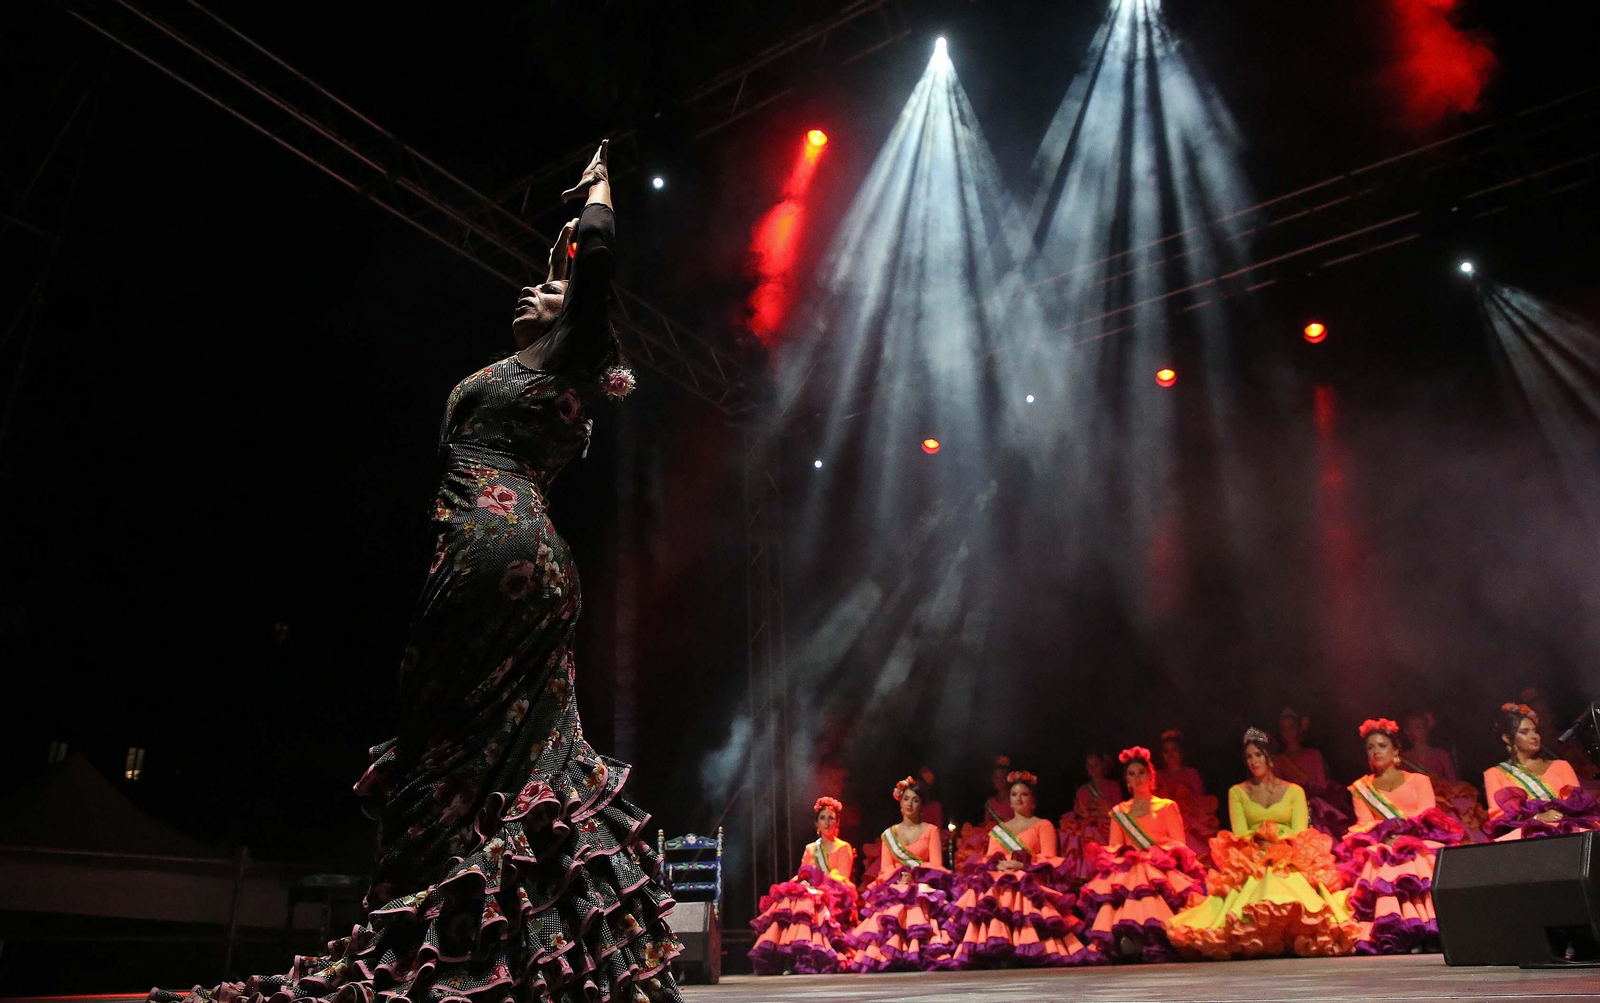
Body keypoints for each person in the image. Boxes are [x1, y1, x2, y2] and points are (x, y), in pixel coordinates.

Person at [148, 142, 681, 1003]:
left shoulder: (563, 362)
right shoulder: (538, 373)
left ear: (570, 322)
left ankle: (432, 931)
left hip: (499, 551)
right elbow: (571, 273)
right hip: (513, 556)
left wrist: (598, 190)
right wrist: (558, 257)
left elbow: (595, 267)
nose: (529, 292)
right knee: (494, 750)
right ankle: (489, 941)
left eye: (547, 291)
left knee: (448, 742)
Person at [1169, 729, 1358, 960]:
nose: (1253, 761)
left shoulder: (1293, 791)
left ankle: (1292, 932)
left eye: (1258, 755)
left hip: (1289, 854)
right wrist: (1263, 842)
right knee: (1252, 885)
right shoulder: (1237, 792)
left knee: (1291, 882)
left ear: (1269, 757)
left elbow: (1300, 832)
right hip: (1252, 855)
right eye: (1249, 757)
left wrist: (1275, 841)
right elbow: (1240, 833)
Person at [1335, 718, 1465, 955]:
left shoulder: (1419, 780)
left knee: (1418, 861)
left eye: (1382, 746)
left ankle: (1431, 930)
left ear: (1396, 750)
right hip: (1382, 845)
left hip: (1419, 839)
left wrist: (1404, 836)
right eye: (1371, 747)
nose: (1376, 751)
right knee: (1381, 863)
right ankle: (1400, 932)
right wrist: (1386, 839)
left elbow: (1429, 814)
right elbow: (1364, 825)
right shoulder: (1361, 788)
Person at [949, 771, 1090, 967]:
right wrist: (1000, 864)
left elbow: (1050, 859)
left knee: (1017, 887)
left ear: (1033, 800)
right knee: (994, 891)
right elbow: (990, 858)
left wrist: (1023, 865)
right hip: (1003, 878)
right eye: (1014, 795)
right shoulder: (999, 830)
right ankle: (998, 947)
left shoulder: (1043, 825)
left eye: (1024, 794)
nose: (1019, 798)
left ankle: (1025, 946)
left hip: (1032, 881)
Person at [1081, 748, 1206, 962]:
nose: (1137, 778)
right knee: (1132, 877)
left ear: (1151, 776)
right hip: (1131, 869)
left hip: (1162, 870)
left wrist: (1153, 857)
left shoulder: (1167, 806)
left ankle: (1157, 937)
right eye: (1132, 774)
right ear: (1126, 780)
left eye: (1141, 772)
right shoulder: (1119, 812)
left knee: (1146, 876)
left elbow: (1180, 847)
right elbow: (1115, 850)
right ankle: (1129, 936)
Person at [846, 777, 957, 971]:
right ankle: (892, 953)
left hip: (924, 884)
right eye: (906, 799)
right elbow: (885, 869)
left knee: (918, 898)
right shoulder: (889, 834)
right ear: (900, 802)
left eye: (915, 800)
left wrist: (916, 876)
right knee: (893, 903)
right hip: (897, 883)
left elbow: (936, 865)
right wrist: (900, 876)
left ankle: (919, 951)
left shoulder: (931, 830)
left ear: (922, 805)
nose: (910, 804)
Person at [749, 797, 858, 974]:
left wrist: (820, 882)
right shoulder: (811, 848)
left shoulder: (843, 847)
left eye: (831, 818)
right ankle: (789, 955)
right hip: (812, 891)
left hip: (836, 892)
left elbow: (842, 877)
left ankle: (810, 956)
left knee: (808, 902)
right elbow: (803, 872)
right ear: (817, 822)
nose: (827, 822)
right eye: (823, 818)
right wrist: (802, 883)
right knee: (789, 901)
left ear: (837, 822)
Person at [1482, 702, 1600, 840]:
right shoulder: (1494, 774)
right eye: (1525, 732)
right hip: (1524, 835)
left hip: (1566, 828)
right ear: (1507, 738)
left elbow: (1578, 805)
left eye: (1535, 731)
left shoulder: (1560, 766)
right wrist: (1538, 818)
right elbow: (1499, 819)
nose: (1534, 736)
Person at [1401, 710, 1487, 842]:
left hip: (1443, 797)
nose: (1422, 731)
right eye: (1417, 727)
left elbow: (1452, 780)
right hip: (1417, 799)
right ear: (1408, 732)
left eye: (1423, 727)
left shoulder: (1440, 754)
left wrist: (1438, 781)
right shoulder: (1404, 758)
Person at [1277, 708, 1352, 837]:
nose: (1287, 731)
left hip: (1318, 808)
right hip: (1291, 809)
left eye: (1291, 726)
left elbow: (1322, 785)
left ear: (1299, 728)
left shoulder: (1313, 755)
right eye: (1284, 728)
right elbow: (1279, 790)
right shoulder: (1278, 760)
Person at [1155, 730, 1221, 864]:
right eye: (1166, 751)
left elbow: (1199, 800)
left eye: (1174, 750)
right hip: (1164, 822)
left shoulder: (1191, 773)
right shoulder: (1158, 776)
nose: (1170, 754)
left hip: (1190, 821)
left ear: (1181, 752)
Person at [1057, 753, 1119, 884]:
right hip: (1086, 825)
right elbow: (1080, 812)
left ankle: (1101, 869)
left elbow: (1117, 812)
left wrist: (1097, 816)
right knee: (1078, 831)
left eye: (1095, 764)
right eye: (1089, 765)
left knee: (1091, 831)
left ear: (1103, 765)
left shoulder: (1113, 786)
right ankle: (1083, 872)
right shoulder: (1083, 789)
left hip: (1107, 825)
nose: (1092, 768)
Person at [954, 755, 1017, 870]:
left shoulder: (1014, 800)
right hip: (993, 840)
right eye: (995, 778)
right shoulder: (990, 802)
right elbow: (987, 824)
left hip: (1012, 838)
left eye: (1001, 778)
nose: (997, 781)